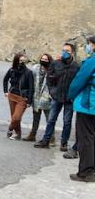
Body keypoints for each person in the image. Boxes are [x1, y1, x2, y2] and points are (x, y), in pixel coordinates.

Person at [35, 42, 80, 151]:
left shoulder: (77, 66)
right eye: (63, 50)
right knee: (51, 119)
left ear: (72, 52)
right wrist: (52, 92)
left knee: (67, 121)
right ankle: (46, 140)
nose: (64, 52)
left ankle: (64, 143)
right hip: (56, 97)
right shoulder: (55, 64)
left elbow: (78, 82)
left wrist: (74, 95)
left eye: (67, 51)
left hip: (69, 98)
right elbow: (49, 79)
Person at [68, 37, 95, 182]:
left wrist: (71, 95)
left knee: (85, 138)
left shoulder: (92, 61)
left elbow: (79, 80)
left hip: (88, 105)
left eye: (90, 44)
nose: (89, 46)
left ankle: (86, 172)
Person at [23, 54, 54, 142]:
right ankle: (32, 135)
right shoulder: (35, 68)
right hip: (36, 97)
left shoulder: (52, 70)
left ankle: (51, 137)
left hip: (46, 97)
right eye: (42, 58)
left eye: (46, 59)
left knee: (49, 119)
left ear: (49, 61)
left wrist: (50, 95)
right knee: (35, 118)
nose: (43, 60)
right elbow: (29, 80)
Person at [3, 53, 34, 140]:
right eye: (20, 60)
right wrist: (5, 91)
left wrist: (29, 101)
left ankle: (10, 129)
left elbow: (31, 87)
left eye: (23, 60)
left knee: (16, 117)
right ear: (16, 61)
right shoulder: (12, 70)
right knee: (15, 117)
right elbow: (5, 79)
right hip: (12, 95)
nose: (22, 62)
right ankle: (18, 134)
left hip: (22, 98)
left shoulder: (28, 72)